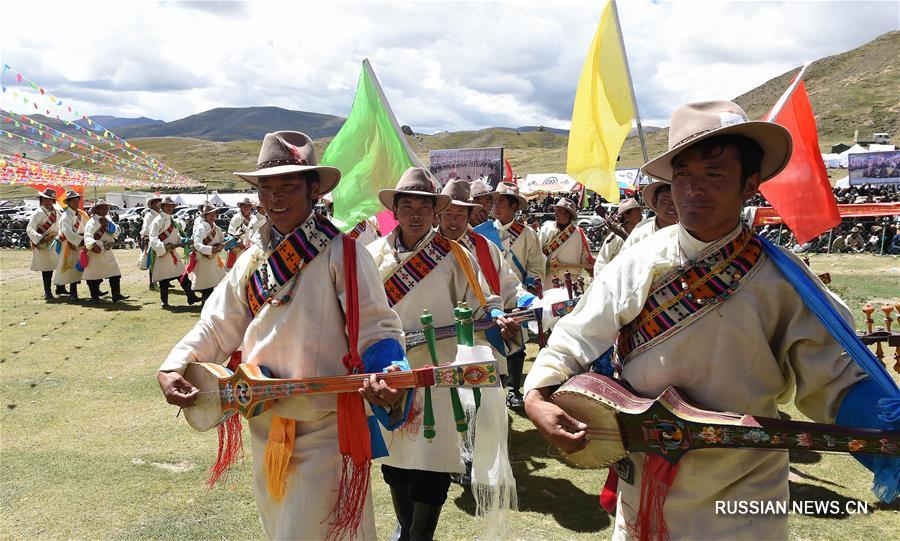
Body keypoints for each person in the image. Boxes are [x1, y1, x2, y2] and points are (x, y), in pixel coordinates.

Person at [523, 100, 894, 540]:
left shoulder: (783, 281)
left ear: (750, 184)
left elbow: (837, 380)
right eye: (683, 175)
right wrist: (537, 395)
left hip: (745, 488)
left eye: (714, 175)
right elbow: (575, 337)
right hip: (644, 480)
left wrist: (888, 425)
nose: (693, 190)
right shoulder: (637, 263)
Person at [158, 131, 409, 541]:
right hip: (265, 423)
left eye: (288, 185)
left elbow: (378, 328)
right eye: (266, 187)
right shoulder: (251, 260)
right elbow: (217, 325)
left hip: (326, 430)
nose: (275, 197)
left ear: (314, 190)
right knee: (280, 530)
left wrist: (388, 372)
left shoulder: (343, 254)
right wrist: (174, 365)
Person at [367, 167, 516, 541]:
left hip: (439, 378)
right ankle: (407, 530)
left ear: (435, 211)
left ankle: (420, 537)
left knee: (433, 469)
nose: (416, 213)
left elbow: (484, 302)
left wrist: (497, 318)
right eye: (407, 205)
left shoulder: (455, 255)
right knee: (395, 467)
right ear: (395, 210)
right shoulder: (370, 257)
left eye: (424, 205)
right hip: (388, 377)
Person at [484, 181, 545, 406]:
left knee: (517, 344)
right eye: (495, 202)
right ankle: (495, 388)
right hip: (489, 297)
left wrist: (529, 286)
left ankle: (513, 388)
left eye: (502, 202)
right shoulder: (483, 232)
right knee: (491, 343)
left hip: (517, 294)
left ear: (513, 207)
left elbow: (537, 263)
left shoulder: (527, 234)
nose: (496, 207)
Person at [149, 197, 199, 308]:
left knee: (183, 275)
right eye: (167, 206)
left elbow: (175, 236)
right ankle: (164, 302)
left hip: (172, 254)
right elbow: (152, 237)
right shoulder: (157, 221)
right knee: (164, 279)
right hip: (163, 254)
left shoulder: (172, 221)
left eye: (171, 206)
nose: (170, 208)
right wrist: (163, 247)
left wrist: (184, 241)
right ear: (162, 207)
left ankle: (191, 297)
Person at [539, 197, 594, 282]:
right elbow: (537, 251)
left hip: (572, 279)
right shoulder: (547, 229)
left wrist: (591, 269)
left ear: (568, 214)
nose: (555, 214)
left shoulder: (579, 233)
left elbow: (585, 256)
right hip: (550, 279)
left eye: (559, 211)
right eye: (555, 211)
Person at [82, 200, 128, 303]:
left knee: (115, 273)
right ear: (97, 210)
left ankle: (116, 295)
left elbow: (116, 233)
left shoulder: (108, 220)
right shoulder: (92, 222)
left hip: (107, 251)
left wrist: (108, 225)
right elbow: (88, 236)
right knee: (93, 275)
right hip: (95, 252)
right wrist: (94, 244)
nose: (105, 210)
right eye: (102, 207)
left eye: (106, 207)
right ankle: (94, 297)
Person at [26, 188, 63, 300]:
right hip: (44, 245)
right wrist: (41, 238)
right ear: (41, 200)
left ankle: (60, 288)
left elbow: (61, 227)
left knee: (60, 266)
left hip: (56, 242)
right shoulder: (37, 213)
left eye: (50, 200)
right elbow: (30, 229)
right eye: (45, 199)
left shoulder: (57, 212)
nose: (47, 202)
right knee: (47, 269)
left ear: (53, 201)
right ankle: (48, 292)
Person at [619, 181, 679, 250]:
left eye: (676, 200)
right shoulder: (641, 231)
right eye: (665, 201)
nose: (672, 206)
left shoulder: (691, 231)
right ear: (654, 202)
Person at [592, 198, 644, 274]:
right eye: (638, 212)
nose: (641, 215)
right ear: (626, 216)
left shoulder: (641, 233)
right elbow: (601, 262)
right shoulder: (615, 238)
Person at [53, 191, 88, 301]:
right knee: (70, 267)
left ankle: (62, 288)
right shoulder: (65, 216)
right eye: (72, 200)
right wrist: (79, 241)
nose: (75, 202)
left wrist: (84, 239)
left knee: (78, 266)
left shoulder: (82, 214)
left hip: (79, 243)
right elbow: (67, 232)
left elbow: (86, 227)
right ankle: (73, 293)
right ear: (68, 202)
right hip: (68, 244)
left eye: (77, 200)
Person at [188, 203, 227, 304]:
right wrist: (211, 249)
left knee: (217, 283)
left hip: (213, 260)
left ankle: (210, 306)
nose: (213, 216)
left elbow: (221, 240)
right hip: (203, 260)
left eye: (214, 214)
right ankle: (205, 308)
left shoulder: (216, 227)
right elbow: (197, 244)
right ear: (205, 216)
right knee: (207, 287)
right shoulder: (201, 227)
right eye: (210, 214)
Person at [140, 195, 162, 290]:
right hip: (152, 240)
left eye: (159, 201)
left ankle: (164, 281)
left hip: (161, 240)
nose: (159, 203)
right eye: (157, 201)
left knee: (162, 262)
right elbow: (146, 229)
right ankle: (152, 283)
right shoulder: (149, 215)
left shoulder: (161, 214)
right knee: (153, 262)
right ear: (152, 204)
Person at [226, 197, 255, 268]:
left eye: (248, 206)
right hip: (238, 247)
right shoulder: (236, 218)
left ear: (250, 207)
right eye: (244, 206)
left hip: (250, 247)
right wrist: (239, 242)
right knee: (237, 268)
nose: (246, 208)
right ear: (241, 207)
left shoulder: (253, 218)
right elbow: (230, 233)